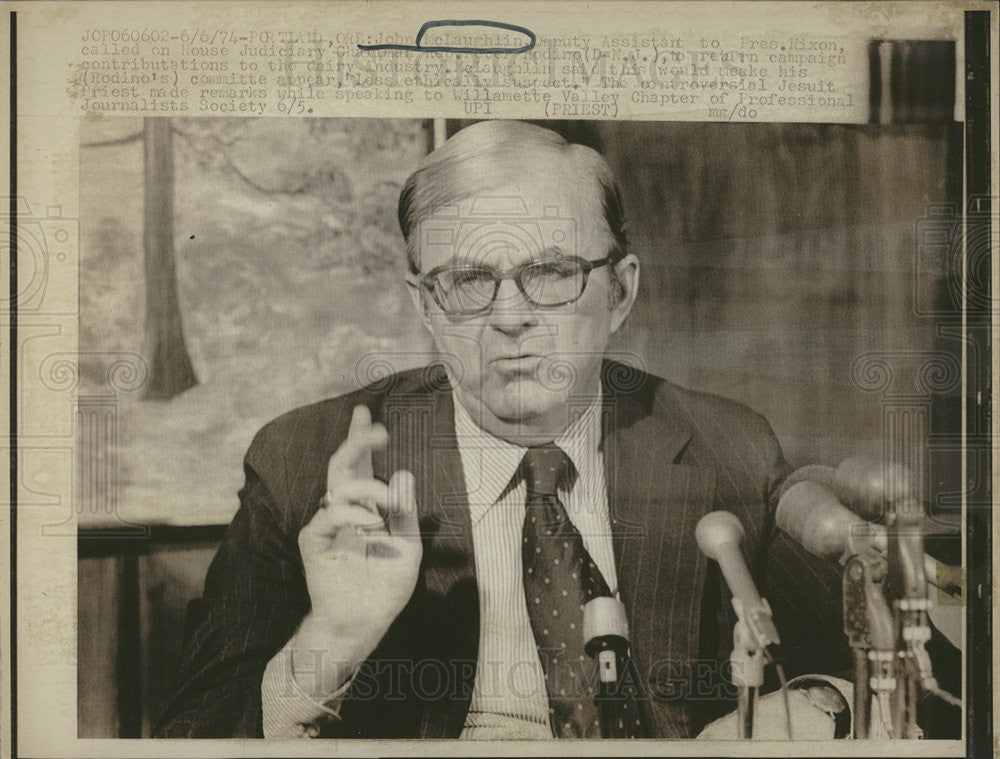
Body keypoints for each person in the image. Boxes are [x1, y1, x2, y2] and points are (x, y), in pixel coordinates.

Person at [153, 120, 938, 740]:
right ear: (426, 306)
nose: (510, 317)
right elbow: (188, 732)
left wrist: (804, 709)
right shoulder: (305, 464)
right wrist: (330, 640)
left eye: (553, 272)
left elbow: (893, 672)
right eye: (467, 281)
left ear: (620, 291)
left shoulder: (724, 445)